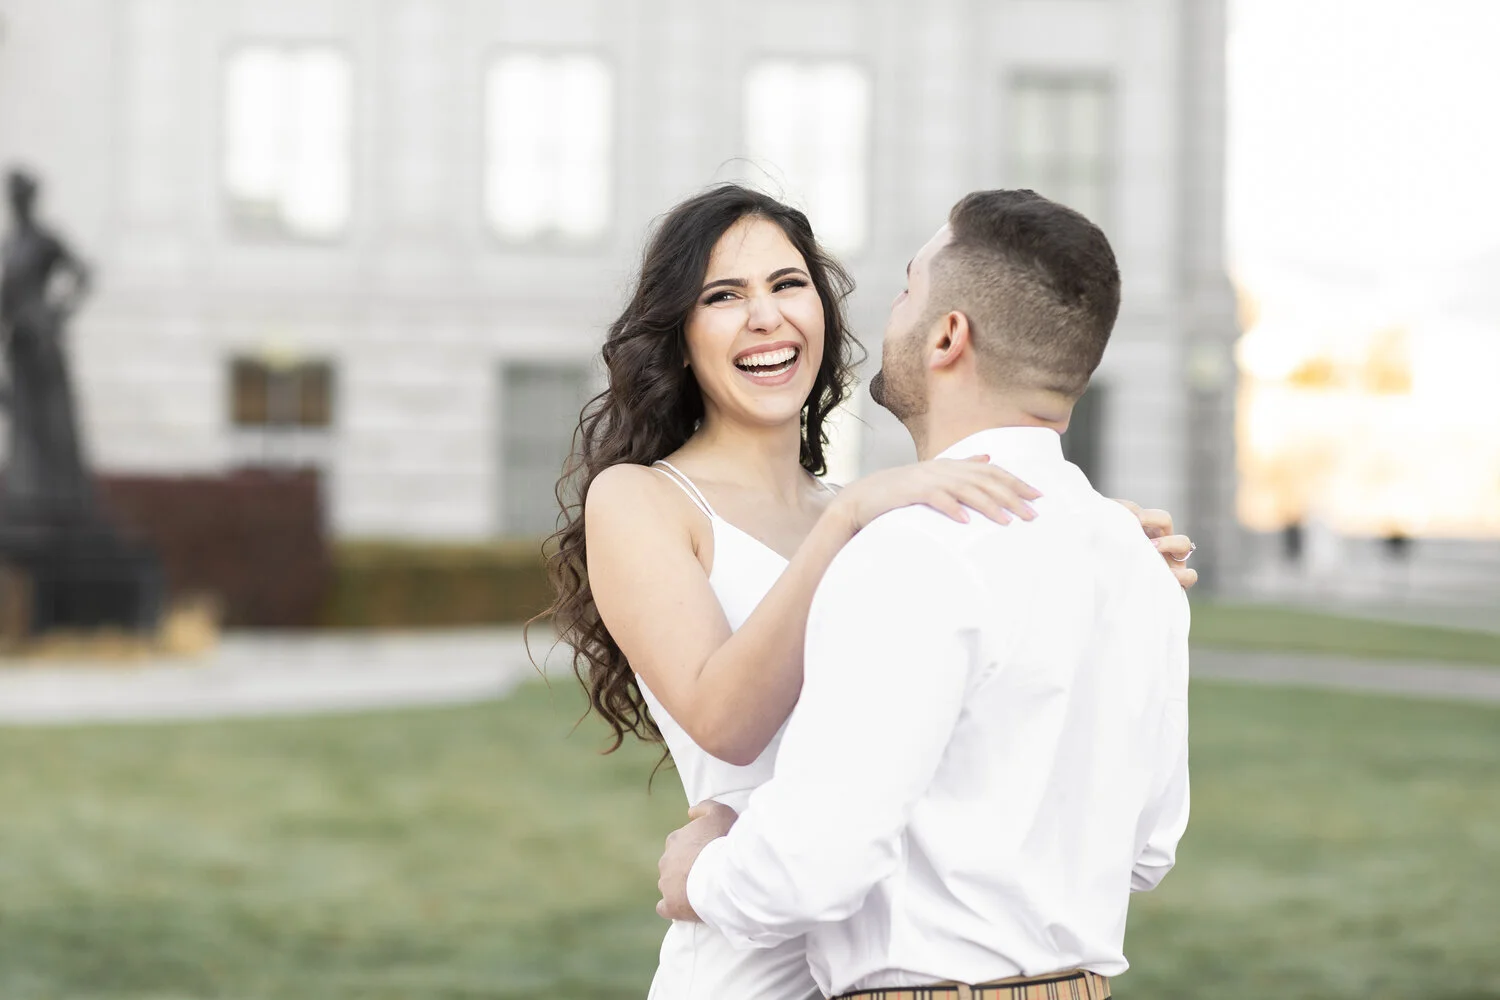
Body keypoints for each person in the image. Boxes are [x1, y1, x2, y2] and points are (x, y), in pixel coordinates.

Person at [544, 185, 1195, 1000]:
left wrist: (1081, 560)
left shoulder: (897, 522)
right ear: (678, 338)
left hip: (888, 947)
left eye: (788, 286)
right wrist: (848, 520)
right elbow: (723, 720)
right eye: (723, 297)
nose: (766, 317)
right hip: (754, 963)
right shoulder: (646, 499)